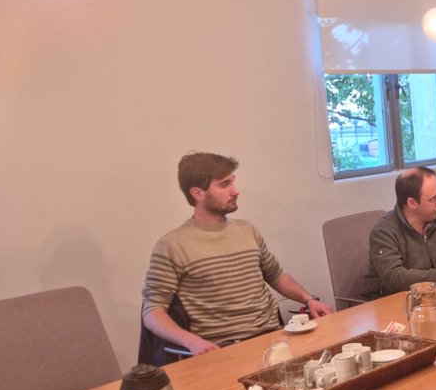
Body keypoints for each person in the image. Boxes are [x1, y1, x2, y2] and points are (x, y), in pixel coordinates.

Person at [141, 152, 331, 355]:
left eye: (233, 182)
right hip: (224, 348)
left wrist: (309, 300)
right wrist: (191, 341)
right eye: (224, 185)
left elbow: (276, 276)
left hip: (273, 338)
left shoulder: (246, 230)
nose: (235, 191)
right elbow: (152, 311)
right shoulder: (173, 245)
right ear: (198, 193)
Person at [360, 165, 436, 298]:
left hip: (434, 297)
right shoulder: (383, 231)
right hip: (394, 302)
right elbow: (395, 278)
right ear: (412, 203)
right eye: (434, 199)